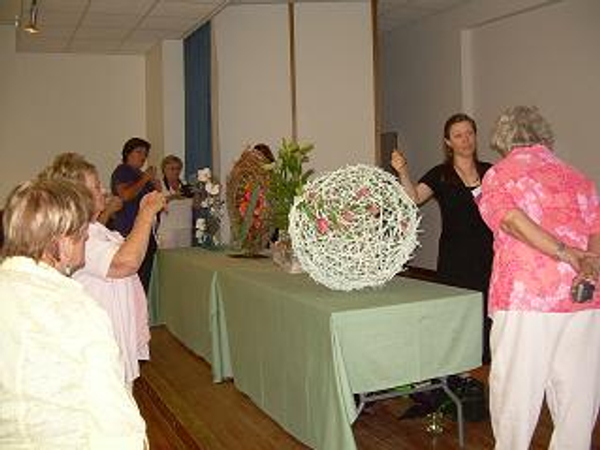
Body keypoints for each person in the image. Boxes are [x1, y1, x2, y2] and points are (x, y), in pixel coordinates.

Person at [478, 106, 600, 449]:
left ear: (503, 141)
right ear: (544, 136)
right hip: (584, 297)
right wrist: (589, 262)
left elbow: (512, 220)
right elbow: (596, 227)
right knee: (578, 398)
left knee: (517, 395)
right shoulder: (578, 177)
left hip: (527, 298)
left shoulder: (500, 175)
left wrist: (565, 253)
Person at [0, 178, 147, 448]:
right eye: (82, 233)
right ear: (62, 243)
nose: (88, 237)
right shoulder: (77, 310)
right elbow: (113, 422)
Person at [43, 153, 165, 386]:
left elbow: (129, 249)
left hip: (112, 338)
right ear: (76, 194)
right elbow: (125, 263)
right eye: (96, 187)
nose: (104, 191)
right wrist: (146, 214)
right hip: (97, 346)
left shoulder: (94, 229)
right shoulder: (77, 235)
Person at [391, 113, 494, 362]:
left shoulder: (491, 172)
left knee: (488, 313)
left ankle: (486, 366)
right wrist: (403, 171)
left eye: (469, 133)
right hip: (455, 256)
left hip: (490, 255)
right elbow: (414, 197)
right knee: (457, 313)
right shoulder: (440, 174)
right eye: (458, 135)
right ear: (448, 142)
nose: (465, 140)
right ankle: (460, 367)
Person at [111, 137, 160, 293]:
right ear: (128, 153)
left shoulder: (141, 174)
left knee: (146, 279)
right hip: (129, 232)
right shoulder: (123, 171)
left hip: (147, 232)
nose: (143, 156)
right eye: (138, 152)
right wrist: (145, 178)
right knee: (133, 278)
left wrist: (157, 187)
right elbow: (125, 195)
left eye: (145, 153)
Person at [157, 155, 193, 249]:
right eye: (172, 169)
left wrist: (199, 194)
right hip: (168, 230)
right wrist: (173, 197)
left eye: (178, 168)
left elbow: (195, 206)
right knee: (168, 260)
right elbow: (155, 206)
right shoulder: (159, 185)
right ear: (164, 170)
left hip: (185, 227)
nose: (176, 172)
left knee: (184, 260)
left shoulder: (186, 185)